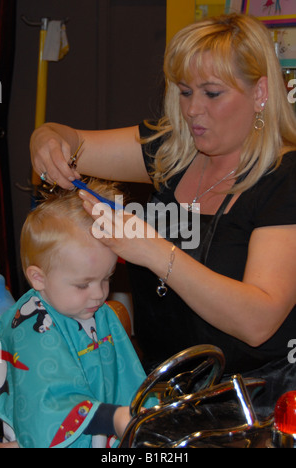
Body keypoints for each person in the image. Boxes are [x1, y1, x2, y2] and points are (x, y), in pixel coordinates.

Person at [30, 13, 296, 415]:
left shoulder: (284, 179)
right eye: (185, 92)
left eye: (212, 93)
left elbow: (257, 322)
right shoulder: (172, 151)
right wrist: (46, 139)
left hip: (254, 406)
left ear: (259, 92)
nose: (192, 110)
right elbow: (71, 139)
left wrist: (152, 250)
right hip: (166, 392)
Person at [0, 180, 153, 448]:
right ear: (39, 278)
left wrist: (149, 412)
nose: (99, 294)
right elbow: (48, 402)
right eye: (83, 284)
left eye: (108, 278)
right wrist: (112, 417)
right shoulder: (28, 322)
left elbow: (127, 378)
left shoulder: (99, 313)